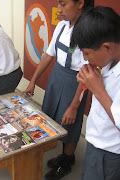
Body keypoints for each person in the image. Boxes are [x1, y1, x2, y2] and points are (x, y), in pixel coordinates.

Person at [21, 0, 94, 179]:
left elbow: (88, 71)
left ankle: (67, 159)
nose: (58, 10)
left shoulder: (89, 32)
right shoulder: (62, 26)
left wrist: (75, 105)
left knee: (70, 122)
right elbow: (48, 55)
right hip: (57, 77)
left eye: (63, 4)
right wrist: (33, 81)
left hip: (75, 83)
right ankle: (63, 155)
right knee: (52, 117)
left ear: (80, 3)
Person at [71, 6, 120, 179]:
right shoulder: (109, 59)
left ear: (107, 47)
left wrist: (98, 90)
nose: (85, 59)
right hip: (96, 141)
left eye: (87, 53)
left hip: (109, 152)